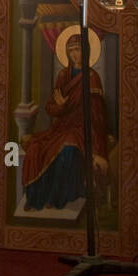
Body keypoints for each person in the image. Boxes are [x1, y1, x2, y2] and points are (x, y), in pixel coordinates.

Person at [21, 34, 110, 211]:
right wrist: (62, 107)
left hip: (83, 128)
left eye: (78, 50)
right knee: (35, 149)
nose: (75, 55)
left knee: (68, 149)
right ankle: (36, 197)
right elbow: (50, 107)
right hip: (60, 127)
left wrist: (98, 148)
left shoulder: (92, 77)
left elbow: (97, 115)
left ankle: (57, 198)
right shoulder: (63, 75)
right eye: (71, 51)